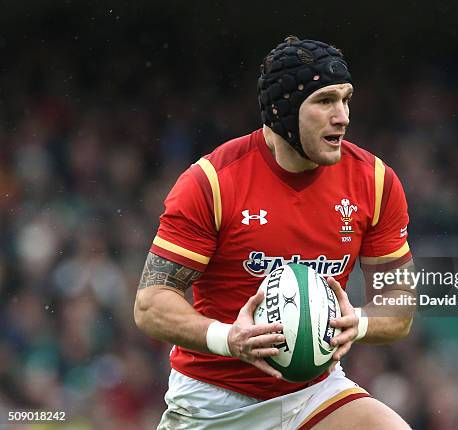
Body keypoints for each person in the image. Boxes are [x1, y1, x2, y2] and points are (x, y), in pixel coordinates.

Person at [134, 36, 415, 429]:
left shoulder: (376, 181)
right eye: (324, 101)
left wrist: (360, 323)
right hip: (213, 401)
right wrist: (229, 338)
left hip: (314, 395)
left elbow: (399, 302)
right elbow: (150, 304)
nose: (343, 116)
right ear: (283, 109)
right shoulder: (212, 182)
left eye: (346, 99)